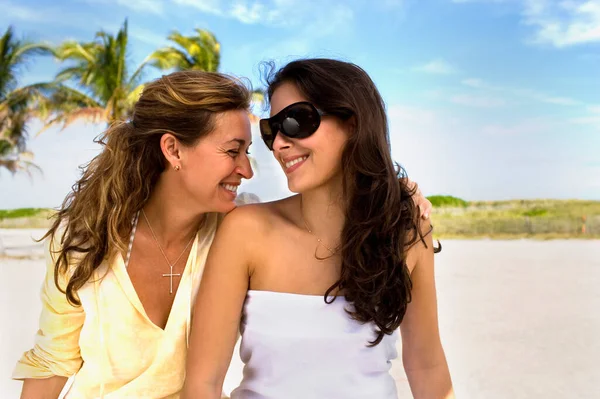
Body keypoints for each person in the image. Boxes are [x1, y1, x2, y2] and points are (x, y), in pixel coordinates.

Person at [13, 69, 432, 399]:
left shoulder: (239, 226)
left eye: (249, 151)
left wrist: (403, 194)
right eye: (233, 151)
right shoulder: (84, 242)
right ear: (173, 150)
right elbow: (52, 361)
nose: (247, 169)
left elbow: (337, 207)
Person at [183, 59, 454, 399]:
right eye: (272, 130)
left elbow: (426, 366)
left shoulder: (407, 231)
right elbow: (202, 385)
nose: (279, 144)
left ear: (352, 124)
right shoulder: (247, 231)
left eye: (296, 121)